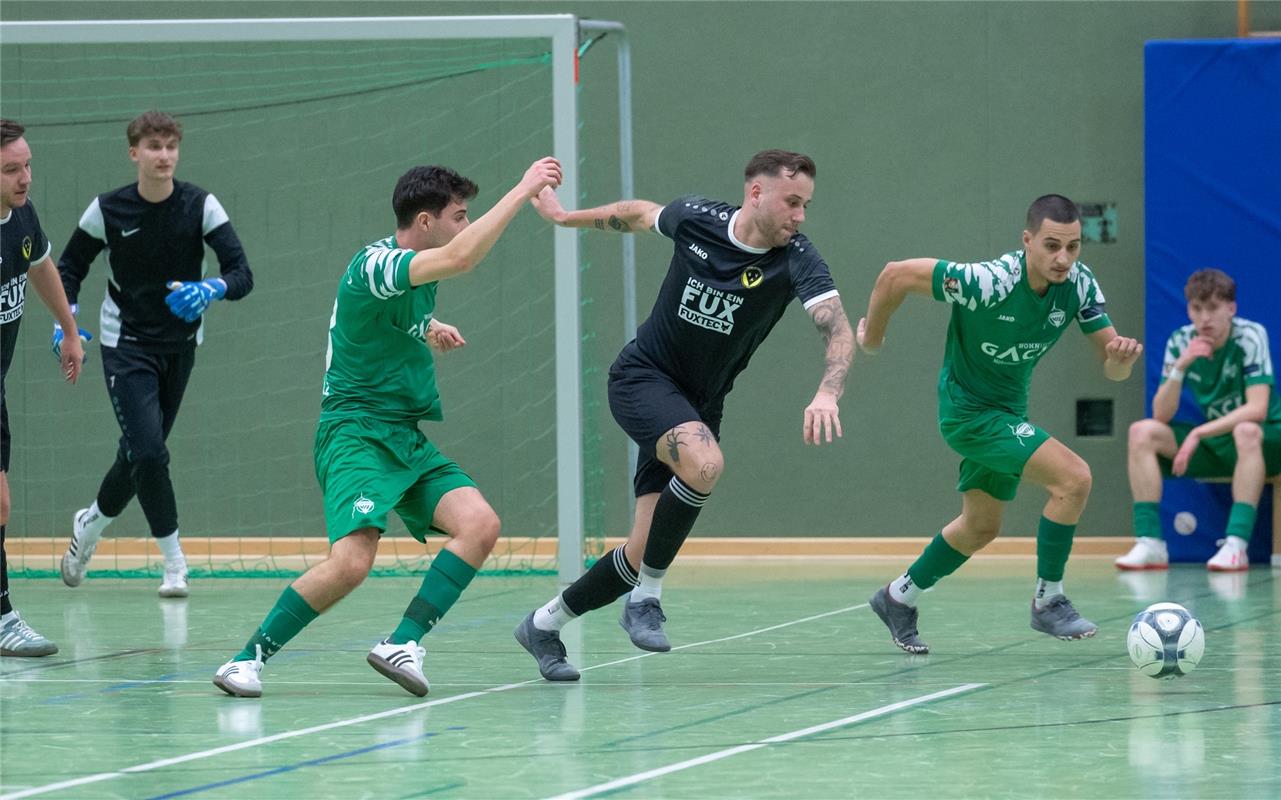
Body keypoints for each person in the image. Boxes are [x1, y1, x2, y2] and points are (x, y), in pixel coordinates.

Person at [213, 156, 563, 698]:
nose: (464, 226)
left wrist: (427, 326)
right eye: (459, 215)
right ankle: (245, 660)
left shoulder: (410, 272)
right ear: (425, 223)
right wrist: (523, 190)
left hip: (402, 433)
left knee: (480, 524)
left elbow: (385, 317)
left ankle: (403, 643)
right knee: (352, 562)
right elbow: (462, 258)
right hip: (354, 431)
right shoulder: (373, 265)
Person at [515, 149, 854, 681]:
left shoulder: (798, 259)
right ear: (756, 192)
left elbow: (836, 327)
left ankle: (544, 624)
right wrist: (564, 216)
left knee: (641, 547)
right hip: (642, 379)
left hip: (700, 403)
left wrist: (828, 393)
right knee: (706, 465)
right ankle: (646, 599)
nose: (800, 216)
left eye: (806, 205)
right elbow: (638, 212)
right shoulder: (698, 219)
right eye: (792, 202)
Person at [858, 194, 1143, 654]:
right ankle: (1049, 601)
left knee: (980, 527)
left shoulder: (1080, 285)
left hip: (1008, 415)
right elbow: (896, 274)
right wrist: (872, 336)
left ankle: (897, 597)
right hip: (968, 415)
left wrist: (1121, 361)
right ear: (1027, 240)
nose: (1063, 258)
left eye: (1073, 247)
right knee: (1074, 479)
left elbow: (1110, 366)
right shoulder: (988, 282)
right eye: (1051, 246)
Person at [56, 111, 253, 598]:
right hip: (124, 344)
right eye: (153, 147)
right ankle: (174, 563)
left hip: (181, 345)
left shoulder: (201, 205)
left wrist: (213, 287)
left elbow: (242, 271)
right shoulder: (107, 210)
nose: (163, 155)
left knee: (140, 454)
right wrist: (67, 324)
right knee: (149, 451)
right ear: (134, 153)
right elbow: (68, 268)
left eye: (170, 147)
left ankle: (92, 524)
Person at [1118, 268, 1281, 572]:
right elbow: (1161, 415)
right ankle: (1151, 543)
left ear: (1231, 309)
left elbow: (1257, 408)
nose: (1205, 318)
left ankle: (1236, 545)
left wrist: (1197, 434)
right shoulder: (1181, 341)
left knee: (1246, 429)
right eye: (1197, 308)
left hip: (1267, 440)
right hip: (1216, 441)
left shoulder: (1249, 335)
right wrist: (1181, 366)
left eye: (1213, 308)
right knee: (1142, 432)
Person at [0, 118, 86, 657]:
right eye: (12, 169)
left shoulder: (21, 216)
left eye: (27, 165)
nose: (25, 177)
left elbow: (40, 262)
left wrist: (71, 330)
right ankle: (3, 617)